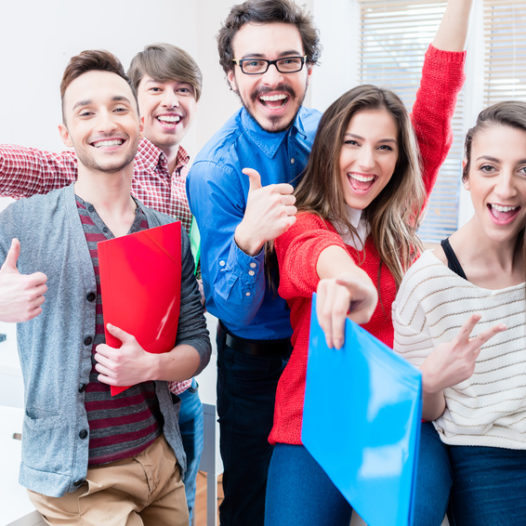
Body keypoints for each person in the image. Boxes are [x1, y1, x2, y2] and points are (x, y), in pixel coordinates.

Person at [186, 0, 468, 524]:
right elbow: (309, 256)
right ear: (232, 74)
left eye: (382, 147)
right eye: (353, 144)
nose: (365, 160)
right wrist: (342, 277)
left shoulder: (399, 209)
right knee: (253, 500)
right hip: (296, 392)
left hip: (392, 406)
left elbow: (434, 105)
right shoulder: (289, 211)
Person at [0, 50, 210, 525]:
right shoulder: (25, 223)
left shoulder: (164, 230)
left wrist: (151, 365)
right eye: (86, 112)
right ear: (65, 134)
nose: (105, 123)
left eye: (118, 108)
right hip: (80, 480)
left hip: (161, 462)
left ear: (138, 122)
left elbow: (197, 342)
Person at [393, 101, 526, 525]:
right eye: (490, 168)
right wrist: (430, 381)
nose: (506, 189)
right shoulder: (429, 283)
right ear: (466, 174)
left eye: (524, 169)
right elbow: (425, 411)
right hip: (488, 457)